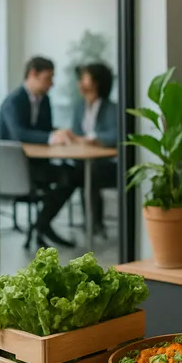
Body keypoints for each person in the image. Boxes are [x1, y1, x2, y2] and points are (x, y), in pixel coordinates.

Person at [0, 56, 81, 248]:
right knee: (65, 176)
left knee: (72, 175)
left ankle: (41, 225)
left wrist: (58, 132)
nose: (52, 84)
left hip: (37, 165)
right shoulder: (13, 101)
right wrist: (51, 137)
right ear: (33, 74)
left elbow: (44, 129)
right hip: (15, 171)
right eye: (49, 78)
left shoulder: (44, 101)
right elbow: (18, 133)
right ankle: (42, 227)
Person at [71, 62, 118, 236]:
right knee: (77, 173)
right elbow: (76, 134)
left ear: (95, 83)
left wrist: (93, 139)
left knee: (89, 175)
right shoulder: (79, 107)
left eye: (84, 78)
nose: (80, 82)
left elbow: (115, 135)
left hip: (109, 164)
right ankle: (93, 224)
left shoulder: (111, 108)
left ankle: (94, 223)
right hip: (85, 162)